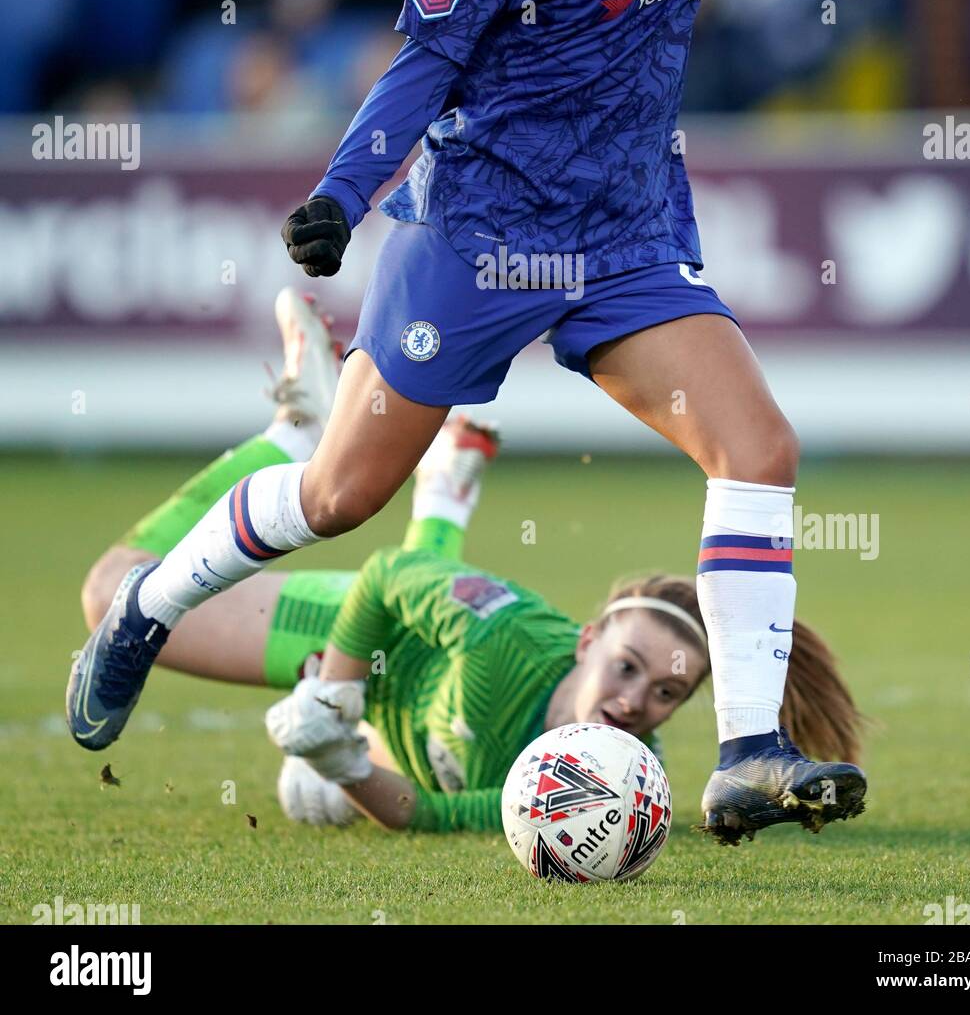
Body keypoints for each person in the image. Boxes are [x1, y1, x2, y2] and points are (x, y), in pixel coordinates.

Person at [70, 0, 867, 847]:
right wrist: (342, 192)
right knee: (340, 497)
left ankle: (747, 750)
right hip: (481, 235)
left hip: (626, 230)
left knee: (756, 445)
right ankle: (144, 609)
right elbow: (426, 66)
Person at [77, 291, 866, 834]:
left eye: (666, 692)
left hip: (406, 729)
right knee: (113, 590)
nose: (634, 703)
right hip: (363, 641)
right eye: (627, 668)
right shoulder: (509, 640)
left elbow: (429, 817)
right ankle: (295, 438)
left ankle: (444, 493)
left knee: (311, 795)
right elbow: (389, 581)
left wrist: (344, 761)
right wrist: (339, 692)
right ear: (586, 641)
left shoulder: (628, 773)